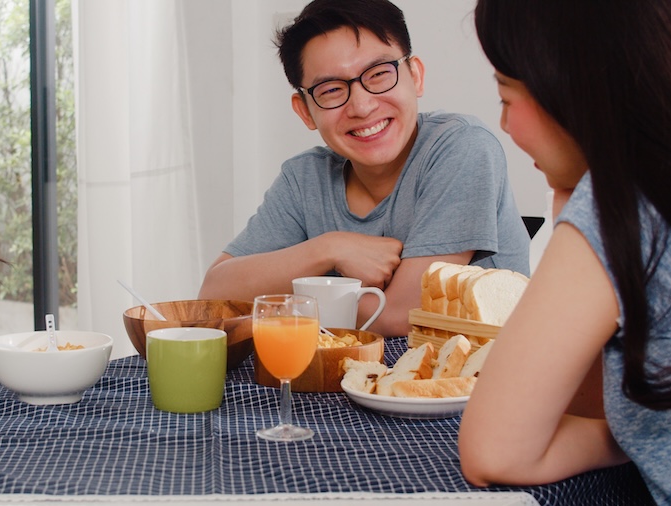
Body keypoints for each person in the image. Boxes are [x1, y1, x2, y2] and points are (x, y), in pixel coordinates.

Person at [198, 0, 530, 337]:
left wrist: (278, 305)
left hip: (467, 381)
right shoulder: (305, 179)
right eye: (331, 90)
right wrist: (329, 248)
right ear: (305, 112)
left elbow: (400, 316)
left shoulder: (461, 147)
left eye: (379, 74)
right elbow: (214, 295)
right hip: (339, 382)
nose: (362, 105)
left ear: (415, 76)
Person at [458, 1, 671, 503]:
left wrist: (627, 438)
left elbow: (495, 451)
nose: (505, 125)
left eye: (506, 96)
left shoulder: (623, 206)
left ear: (570, 87)